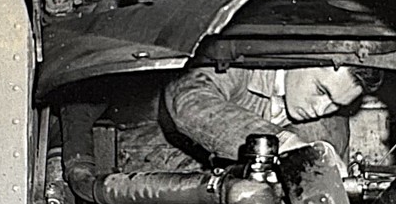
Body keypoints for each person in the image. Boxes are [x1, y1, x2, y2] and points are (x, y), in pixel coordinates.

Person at [162, 64, 383, 165]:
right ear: (301, 61)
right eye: (321, 91)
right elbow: (189, 100)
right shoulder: (237, 66)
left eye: (337, 104)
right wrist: (283, 143)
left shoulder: (330, 123)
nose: (321, 109)